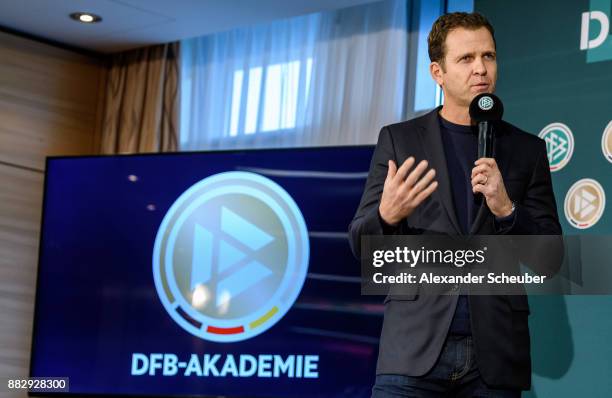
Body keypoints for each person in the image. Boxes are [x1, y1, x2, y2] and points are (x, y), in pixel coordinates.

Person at [348, 12, 562, 398]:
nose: (481, 68)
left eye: (489, 56)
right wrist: (386, 216)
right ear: (437, 72)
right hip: (413, 351)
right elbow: (360, 245)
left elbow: (550, 258)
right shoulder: (400, 140)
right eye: (466, 59)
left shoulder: (527, 150)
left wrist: (506, 210)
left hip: (494, 356)